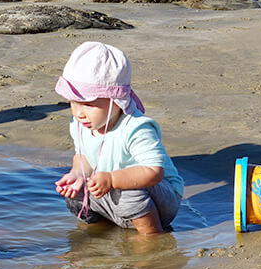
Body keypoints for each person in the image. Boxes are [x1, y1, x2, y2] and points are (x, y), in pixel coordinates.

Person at [53, 41, 183, 235]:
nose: (79, 113)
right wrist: (78, 173)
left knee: (128, 190)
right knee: (77, 190)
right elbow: (84, 157)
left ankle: (152, 236)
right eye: (74, 102)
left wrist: (112, 179)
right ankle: (104, 229)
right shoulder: (80, 124)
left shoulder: (136, 128)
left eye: (88, 104)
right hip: (114, 195)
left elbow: (154, 171)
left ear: (117, 101)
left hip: (159, 201)